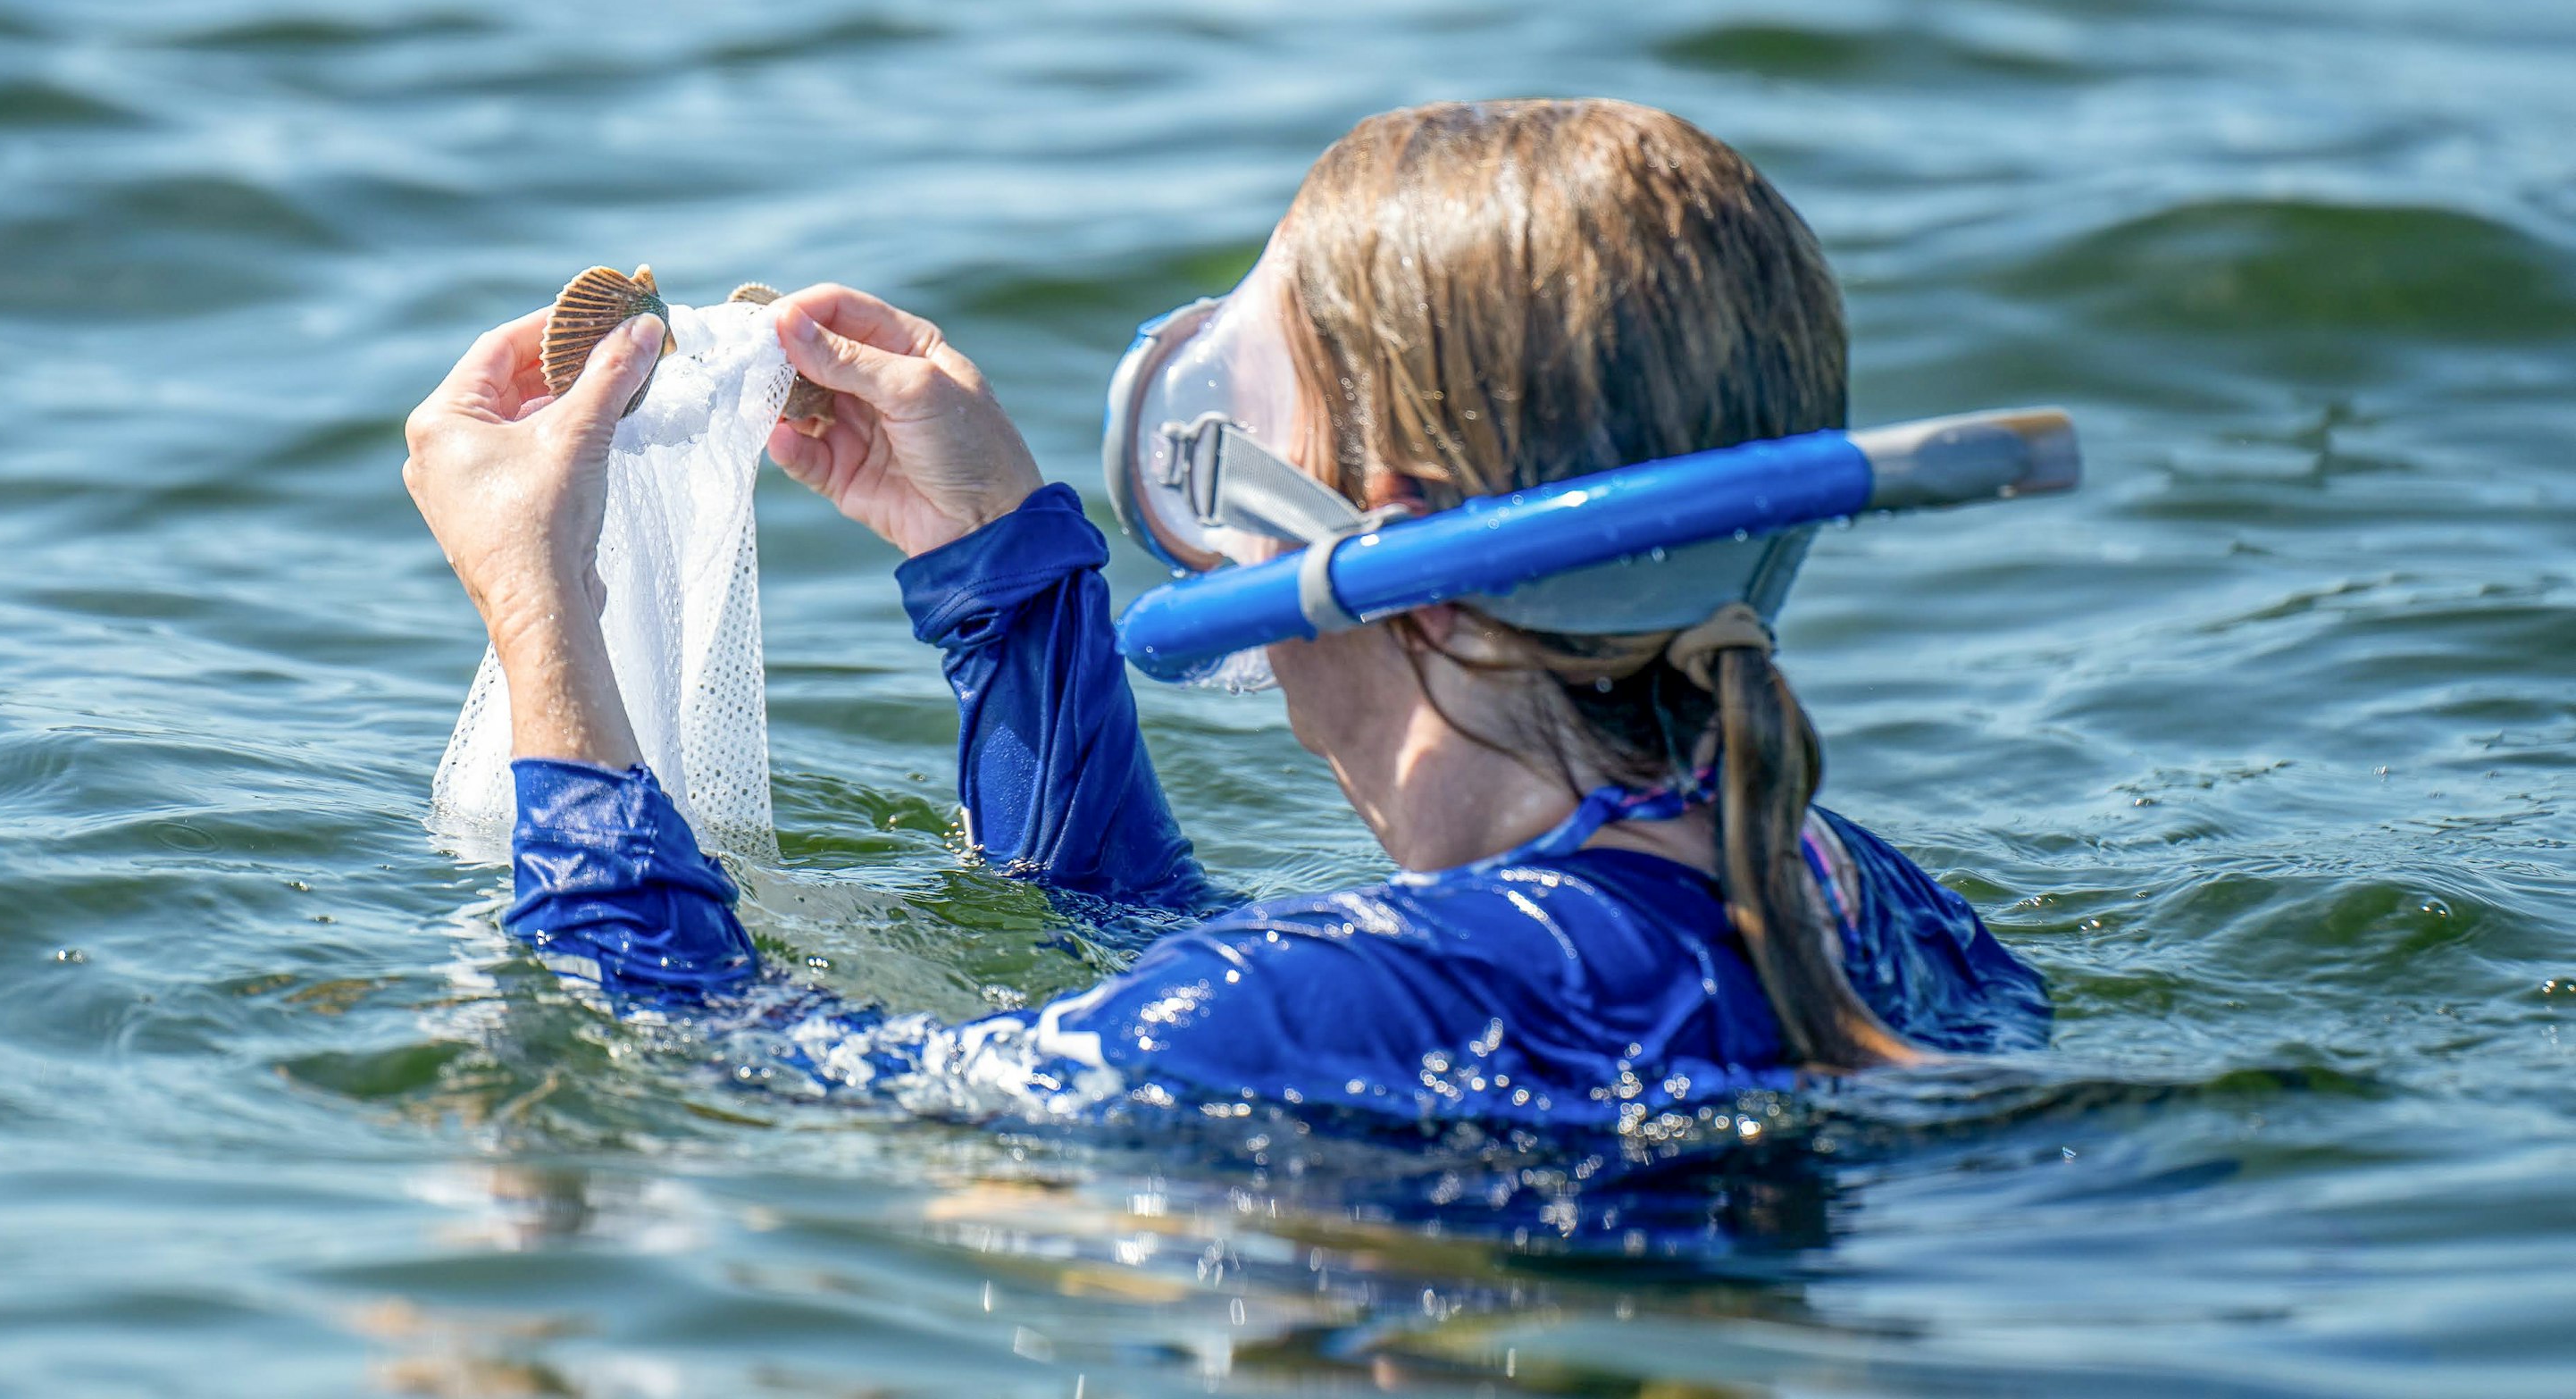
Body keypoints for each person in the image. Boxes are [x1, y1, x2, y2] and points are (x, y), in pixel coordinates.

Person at [401, 101, 2048, 1134]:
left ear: (1382, 528)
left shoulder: (1349, 996)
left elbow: (682, 1043)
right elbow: (1146, 962)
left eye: (1243, 427)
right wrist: (1001, 574)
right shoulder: (1842, 891)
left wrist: (551, 612)